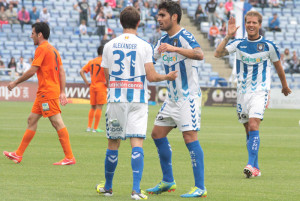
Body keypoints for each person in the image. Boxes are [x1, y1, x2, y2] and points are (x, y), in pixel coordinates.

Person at [94, 6, 177, 200]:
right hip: (138, 99)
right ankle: (136, 190)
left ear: (121, 23)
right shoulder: (144, 45)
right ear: (138, 23)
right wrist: (167, 76)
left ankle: (107, 187)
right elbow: (152, 76)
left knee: (113, 143)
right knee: (136, 142)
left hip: (116, 99)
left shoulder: (109, 45)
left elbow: (106, 77)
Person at [214, 11, 291, 178]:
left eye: (254, 22)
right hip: (242, 93)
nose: (251, 25)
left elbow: (279, 68)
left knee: (254, 125)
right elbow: (217, 54)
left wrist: (284, 86)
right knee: (248, 129)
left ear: (260, 25)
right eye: (248, 22)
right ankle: (255, 167)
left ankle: (250, 163)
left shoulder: (269, 46)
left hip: (260, 91)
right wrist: (228, 36)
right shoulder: (238, 43)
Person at [145, 1, 206, 198]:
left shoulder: (184, 36)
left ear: (174, 17)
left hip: (188, 98)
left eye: (162, 15)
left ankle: (200, 188)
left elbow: (199, 54)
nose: (158, 18)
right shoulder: (162, 40)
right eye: (158, 15)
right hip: (171, 99)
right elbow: (150, 61)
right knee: (157, 134)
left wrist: (175, 49)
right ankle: (168, 181)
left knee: (190, 138)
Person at [3, 22, 76, 166]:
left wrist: (15, 82)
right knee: (31, 120)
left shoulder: (42, 49)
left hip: (47, 92)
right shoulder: (54, 50)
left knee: (56, 122)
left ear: (39, 34)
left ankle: (69, 157)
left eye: (32, 33)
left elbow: (32, 70)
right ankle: (18, 154)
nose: (31, 36)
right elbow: (61, 71)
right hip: (44, 92)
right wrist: (62, 91)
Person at [79, 46, 107, 133]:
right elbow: (108, 73)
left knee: (92, 107)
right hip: (101, 86)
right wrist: (108, 82)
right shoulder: (105, 62)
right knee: (99, 107)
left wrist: (87, 82)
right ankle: (95, 128)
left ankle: (88, 127)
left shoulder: (91, 61)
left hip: (92, 86)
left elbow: (81, 71)